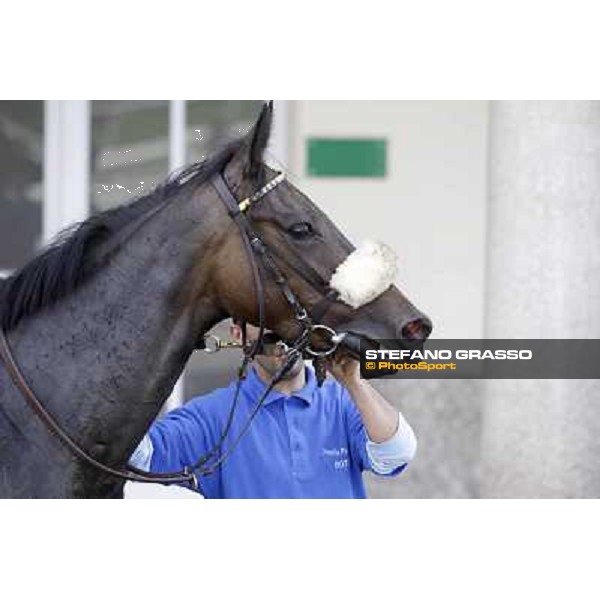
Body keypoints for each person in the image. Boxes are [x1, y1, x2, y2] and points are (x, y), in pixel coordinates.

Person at [130, 319, 417, 498]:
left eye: (290, 324)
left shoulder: (342, 402)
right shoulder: (212, 417)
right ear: (239, 335)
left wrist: (355, 383)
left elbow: (396, 454)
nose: (282, 334)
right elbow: (139, 455)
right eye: (266, 322)